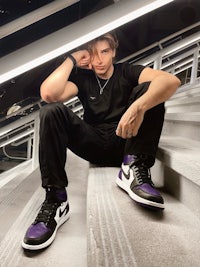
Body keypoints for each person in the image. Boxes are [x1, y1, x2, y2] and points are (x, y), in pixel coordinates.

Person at [21, 33, 181, 250]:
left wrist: (138, 107)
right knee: (51, 111)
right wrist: (73, 58)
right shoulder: (84, 78)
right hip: (93, 143)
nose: (99, 60)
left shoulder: (127, 71)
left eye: (104, 52)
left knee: (151, 90)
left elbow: (171, 80)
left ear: (114, 51)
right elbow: (49, 93)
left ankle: (135, 168)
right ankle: (56, 198)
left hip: (125, 141)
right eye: (93, 54)